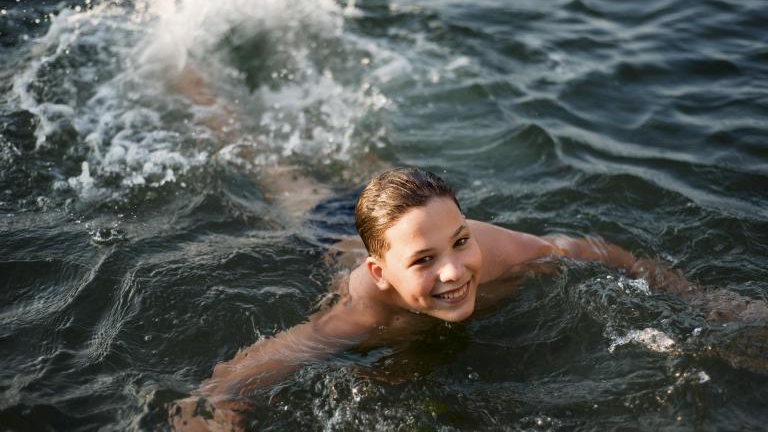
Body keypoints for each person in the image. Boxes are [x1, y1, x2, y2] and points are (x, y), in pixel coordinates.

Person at [170, 166, 700, 431]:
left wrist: (698, 298)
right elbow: (229, 382)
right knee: (286, 182)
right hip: (329, 233)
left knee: (380, 174)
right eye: (425, 260)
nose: (454, 271)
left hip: (401, 220)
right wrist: (215, 414)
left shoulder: (502, 254)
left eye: (461, 241)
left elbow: (597, 252)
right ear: (380, 275)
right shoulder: (359, 315)